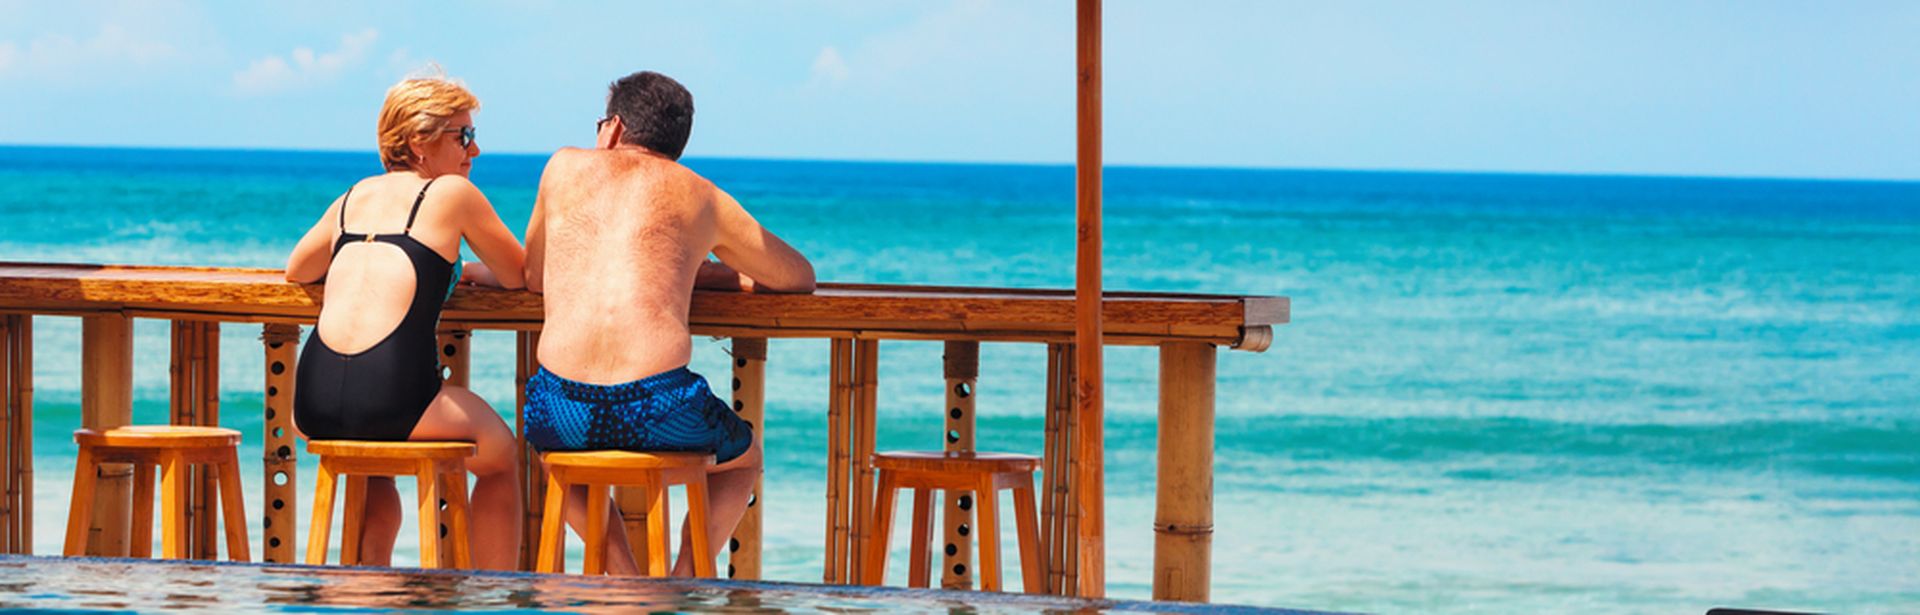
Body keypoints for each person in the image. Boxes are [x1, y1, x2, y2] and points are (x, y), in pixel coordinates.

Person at [522, 70, 815, 576]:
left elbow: (533, 275)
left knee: (555, 459)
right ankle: (684, 575)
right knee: (743, 460)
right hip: (657, 406)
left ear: (612, 128)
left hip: (559, 407)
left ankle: (626, 576)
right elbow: (796, 276)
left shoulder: (562, 168)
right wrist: (703, 273)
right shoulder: (699, 194)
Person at [285, 74, 525, 570]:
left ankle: (372, 582)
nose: (474, 149)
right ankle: (488, 586)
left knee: (376, 467)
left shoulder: (353, 197)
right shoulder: (452, 193)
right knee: (501, 456)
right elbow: (518, 274)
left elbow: (298, 269)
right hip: (391, 401)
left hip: (312, 401)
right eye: (462, 135)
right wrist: (463, 271)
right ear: (419, 141)